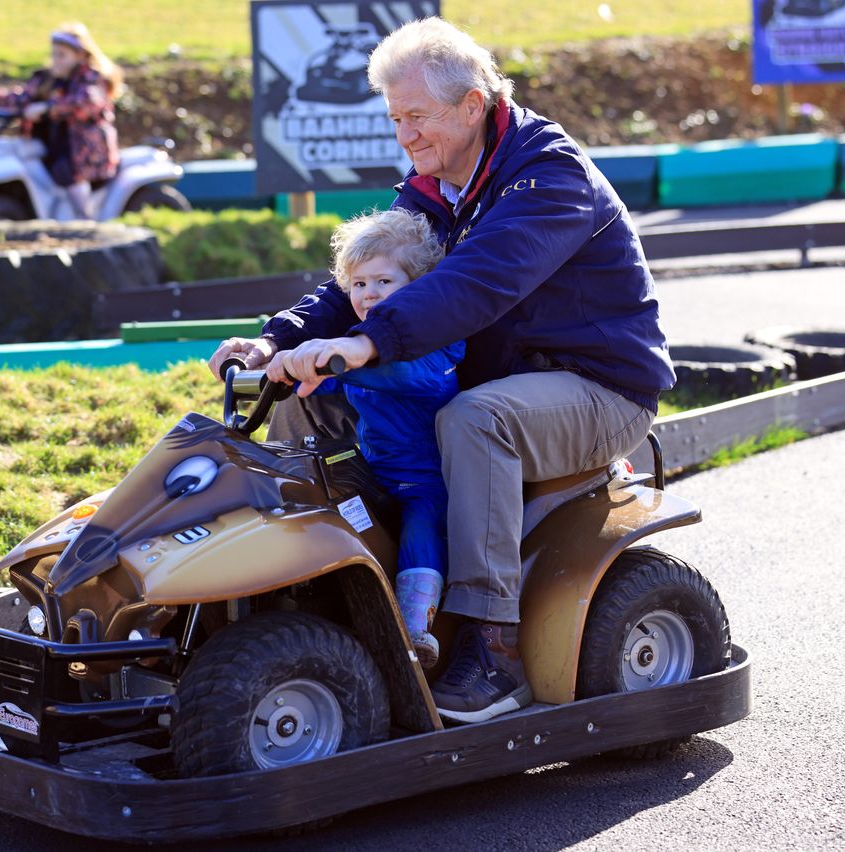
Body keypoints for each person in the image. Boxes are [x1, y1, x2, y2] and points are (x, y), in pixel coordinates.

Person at [209, 17, 675, 724]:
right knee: (309, 397)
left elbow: (479, 283)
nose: (406, 136)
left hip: (597, 387)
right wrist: (280, 341)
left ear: (474, 105)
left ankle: (494, 645)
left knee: (474, 421)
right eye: (396, 118)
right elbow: (358, 279)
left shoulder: (548, 177)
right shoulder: (435, 185)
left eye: (418, 117)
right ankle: (314, 588)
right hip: (496, 374)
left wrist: (370, 342)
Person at [267, 208, 463, 669]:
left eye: (383, 282)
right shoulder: (357, 345)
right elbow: (329, 381)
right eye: (358, 285)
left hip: (425, 481)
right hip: (371, 473)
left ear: (419, 286)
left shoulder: (438, 345)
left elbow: (417, 379)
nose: (369, 294)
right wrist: (289, 369)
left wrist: (351, 360)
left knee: (422, 525)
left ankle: (416, 629)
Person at [0, 22, 122, 217]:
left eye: (62, 55)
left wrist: (48, 108)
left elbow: (86, 103)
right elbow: (19, 97)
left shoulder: (91, 79)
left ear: (79, 55)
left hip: (84, 151)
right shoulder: (48, 79)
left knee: (65, 171)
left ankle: (87, 217)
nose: (56, 60)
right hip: (53, 145)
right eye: (54, 54)